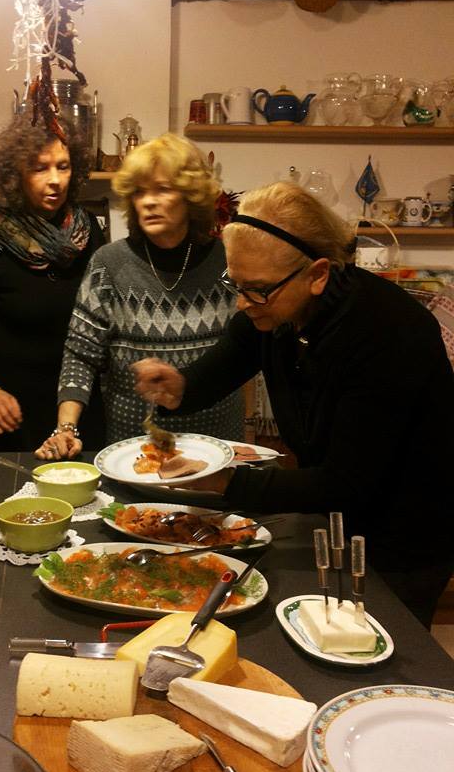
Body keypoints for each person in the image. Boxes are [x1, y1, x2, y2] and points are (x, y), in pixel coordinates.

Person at [132, 181, 454, 627]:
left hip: (407, 534)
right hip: (336, 515)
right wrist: (179, 387)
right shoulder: (275, 308)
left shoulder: (389, 332)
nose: (242, 303)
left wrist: (222, 482)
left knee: (381, 639)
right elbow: (225, 365)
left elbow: (346, 481)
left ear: (317, 274)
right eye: (235, 284)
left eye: (257, 289)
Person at [35, 133, 244, 461]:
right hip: (134, 452)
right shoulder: (110, 264)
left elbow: (249, 347)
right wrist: (66, 428)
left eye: (162, 189)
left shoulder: (228, 261)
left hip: (217, 448)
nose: (148, 201)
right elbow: (80, 354)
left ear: (190, 196)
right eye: (140, 192)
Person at [0, 114, 105, 452]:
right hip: (15, 407)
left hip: (82, 399)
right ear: (15, 175)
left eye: (63, 167)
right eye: (39, 168)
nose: (55, 180)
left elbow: (103, 316)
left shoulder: (88, 230)